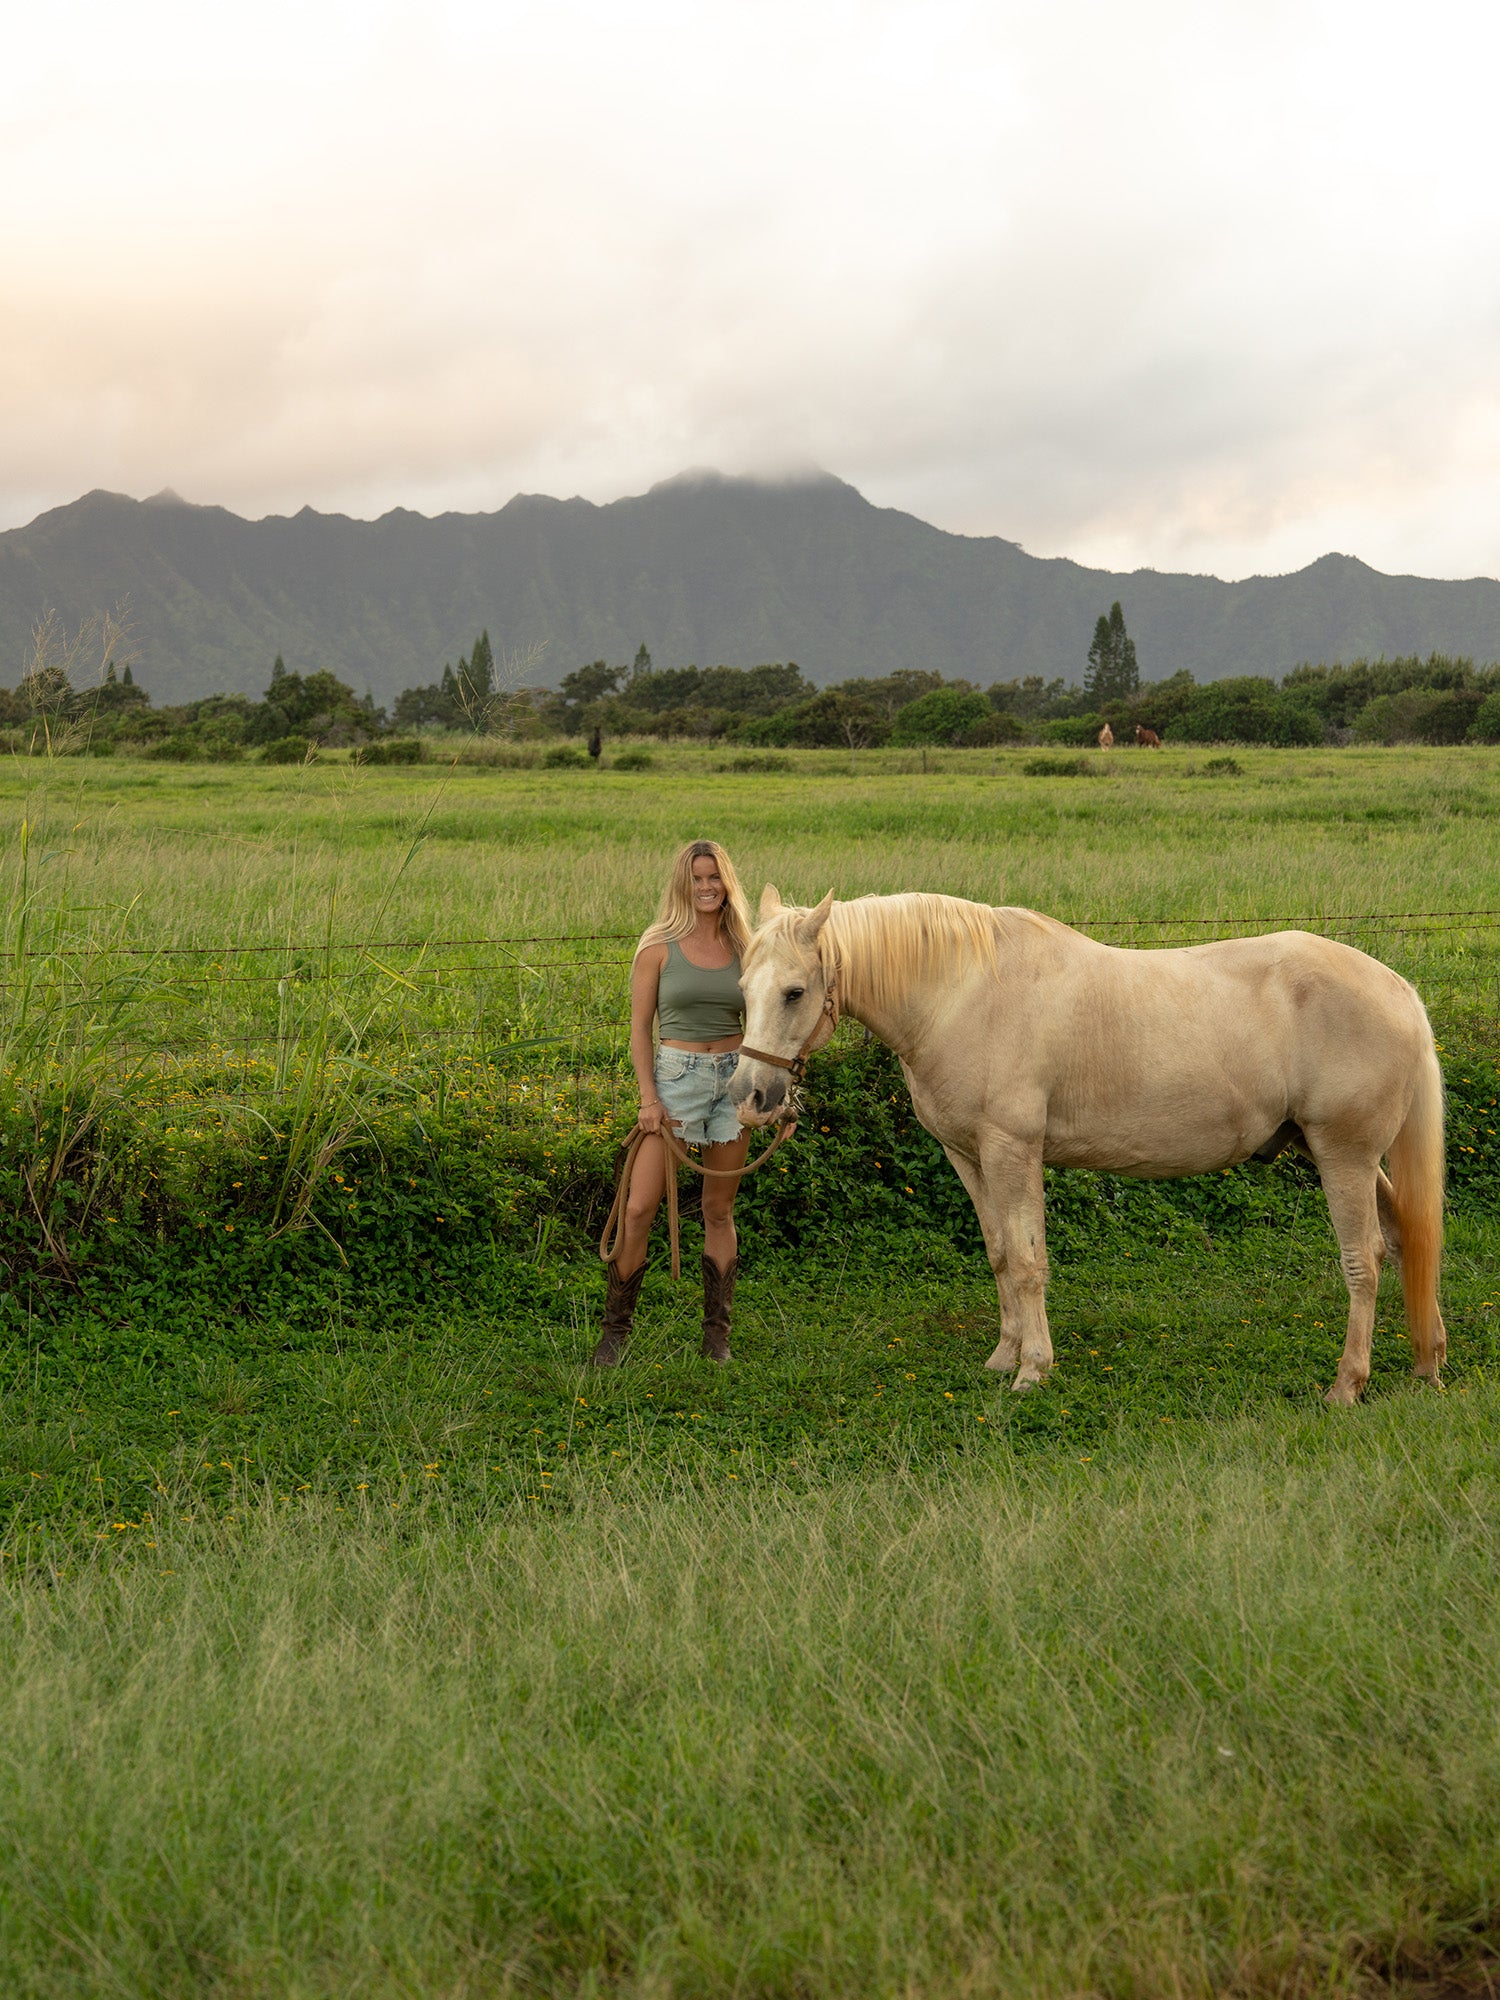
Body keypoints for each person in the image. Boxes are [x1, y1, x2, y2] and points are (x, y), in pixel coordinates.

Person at [592, 839, 755, 1367]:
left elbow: (771, 1027)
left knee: (718, 1209)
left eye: (715, 878)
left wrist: (779, 1099)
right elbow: (640, 1029)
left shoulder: (747, 946)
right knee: (638, 1209)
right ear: (682, 885)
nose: (707, 887)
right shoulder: (658, 944)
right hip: (676, 1080)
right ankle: (615, 1333)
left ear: (727, 882)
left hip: (733, 1081)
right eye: (697, 879)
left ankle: (716, 1337)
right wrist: (648, 1098)